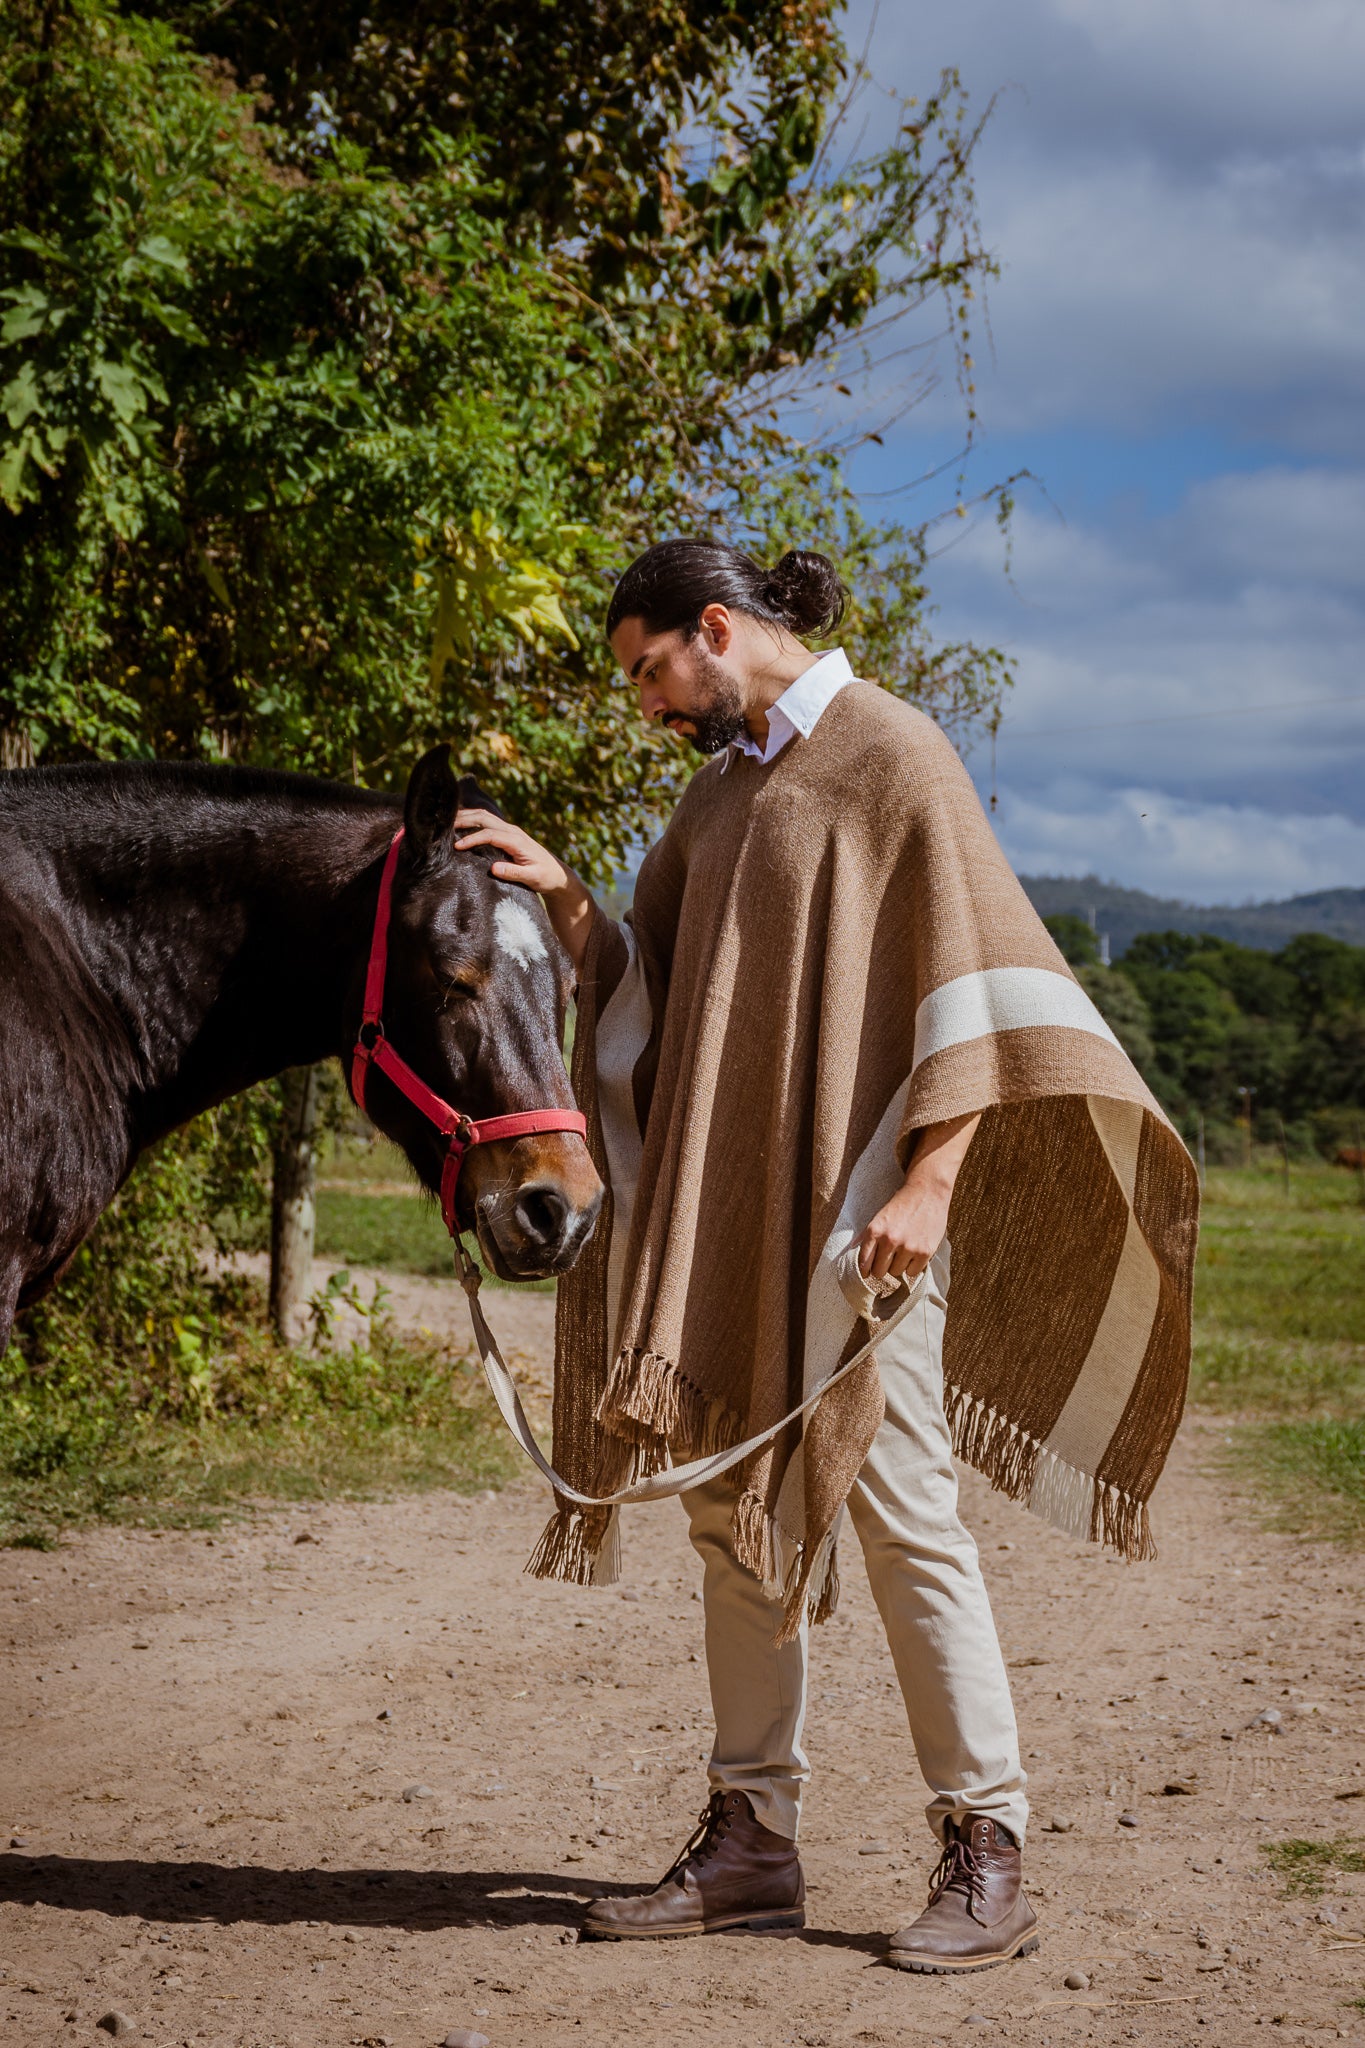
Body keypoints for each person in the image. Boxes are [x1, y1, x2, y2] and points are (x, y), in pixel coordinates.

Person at [452, 539, 1198, 1972]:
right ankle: (751, 1842)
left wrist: (930, 1177)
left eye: (650, 672)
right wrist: (564, 901)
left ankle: (988, 1844)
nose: (648, 707)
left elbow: (973, 986)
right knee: (733, 1516)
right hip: (743, 1214)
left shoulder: (893, 756)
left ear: (715, 628)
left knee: (901, 1510)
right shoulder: (717, 795)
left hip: (866, 1216)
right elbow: (656, 986)